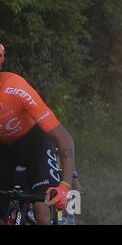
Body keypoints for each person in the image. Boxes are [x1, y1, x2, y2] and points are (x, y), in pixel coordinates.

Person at [0, 43, 75, 224]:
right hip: (3, 151)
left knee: (42, 207)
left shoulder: (16, 89)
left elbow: (64, 139)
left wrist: (65, 186)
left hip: (34, 146)